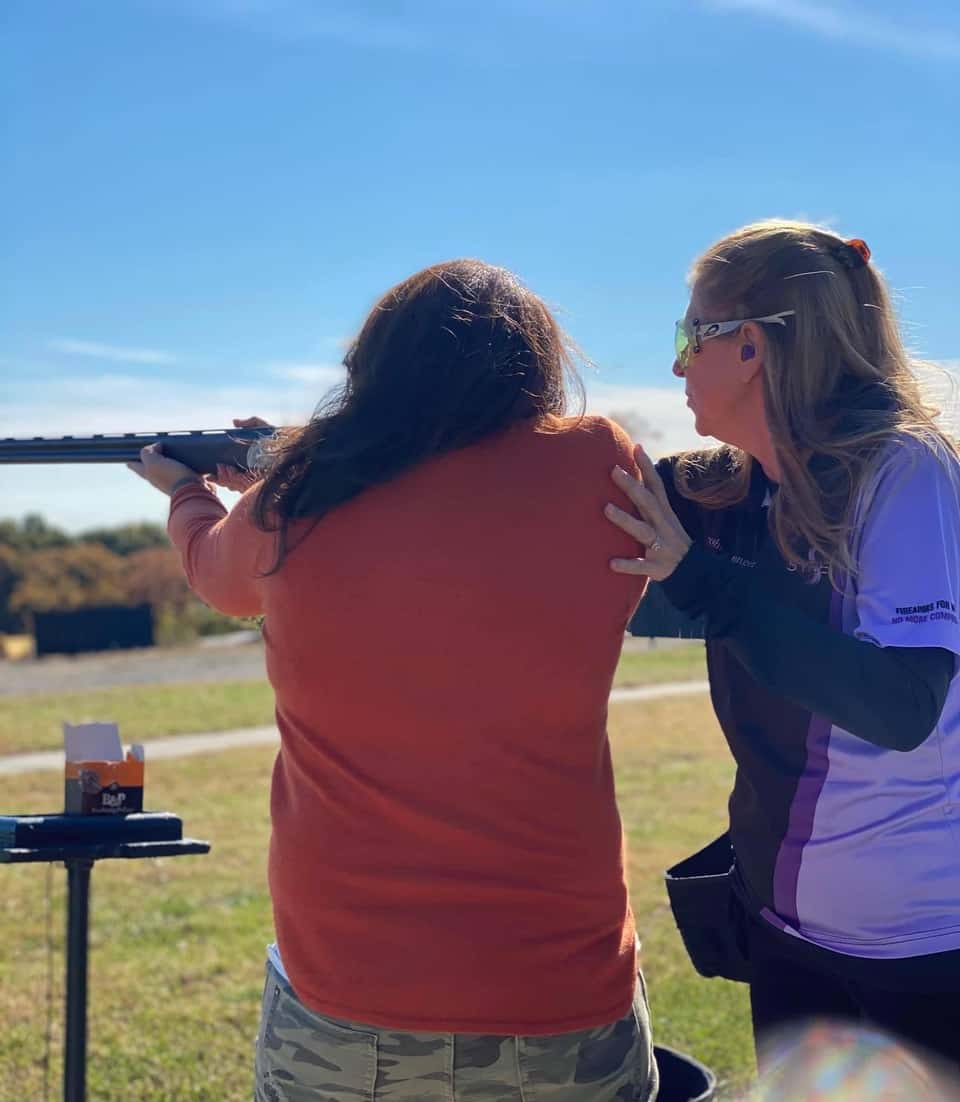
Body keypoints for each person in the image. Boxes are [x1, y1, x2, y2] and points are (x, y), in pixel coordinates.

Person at [128, 260, 659, 1102]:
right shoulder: (601, 461)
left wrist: (190, 491)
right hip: (563, 987)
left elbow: (214, 573)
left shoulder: (297, 495)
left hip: (350, 991)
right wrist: (285, 467)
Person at [604, 220, 960, 1074]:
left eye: (691, 333)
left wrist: (702, 582)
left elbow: (900, 705)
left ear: (752, 347)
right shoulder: (731, 481)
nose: (678, 362)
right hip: (791, 937)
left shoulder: (905, 470)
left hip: (920, 955)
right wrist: (287, 464)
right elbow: (540, 497)